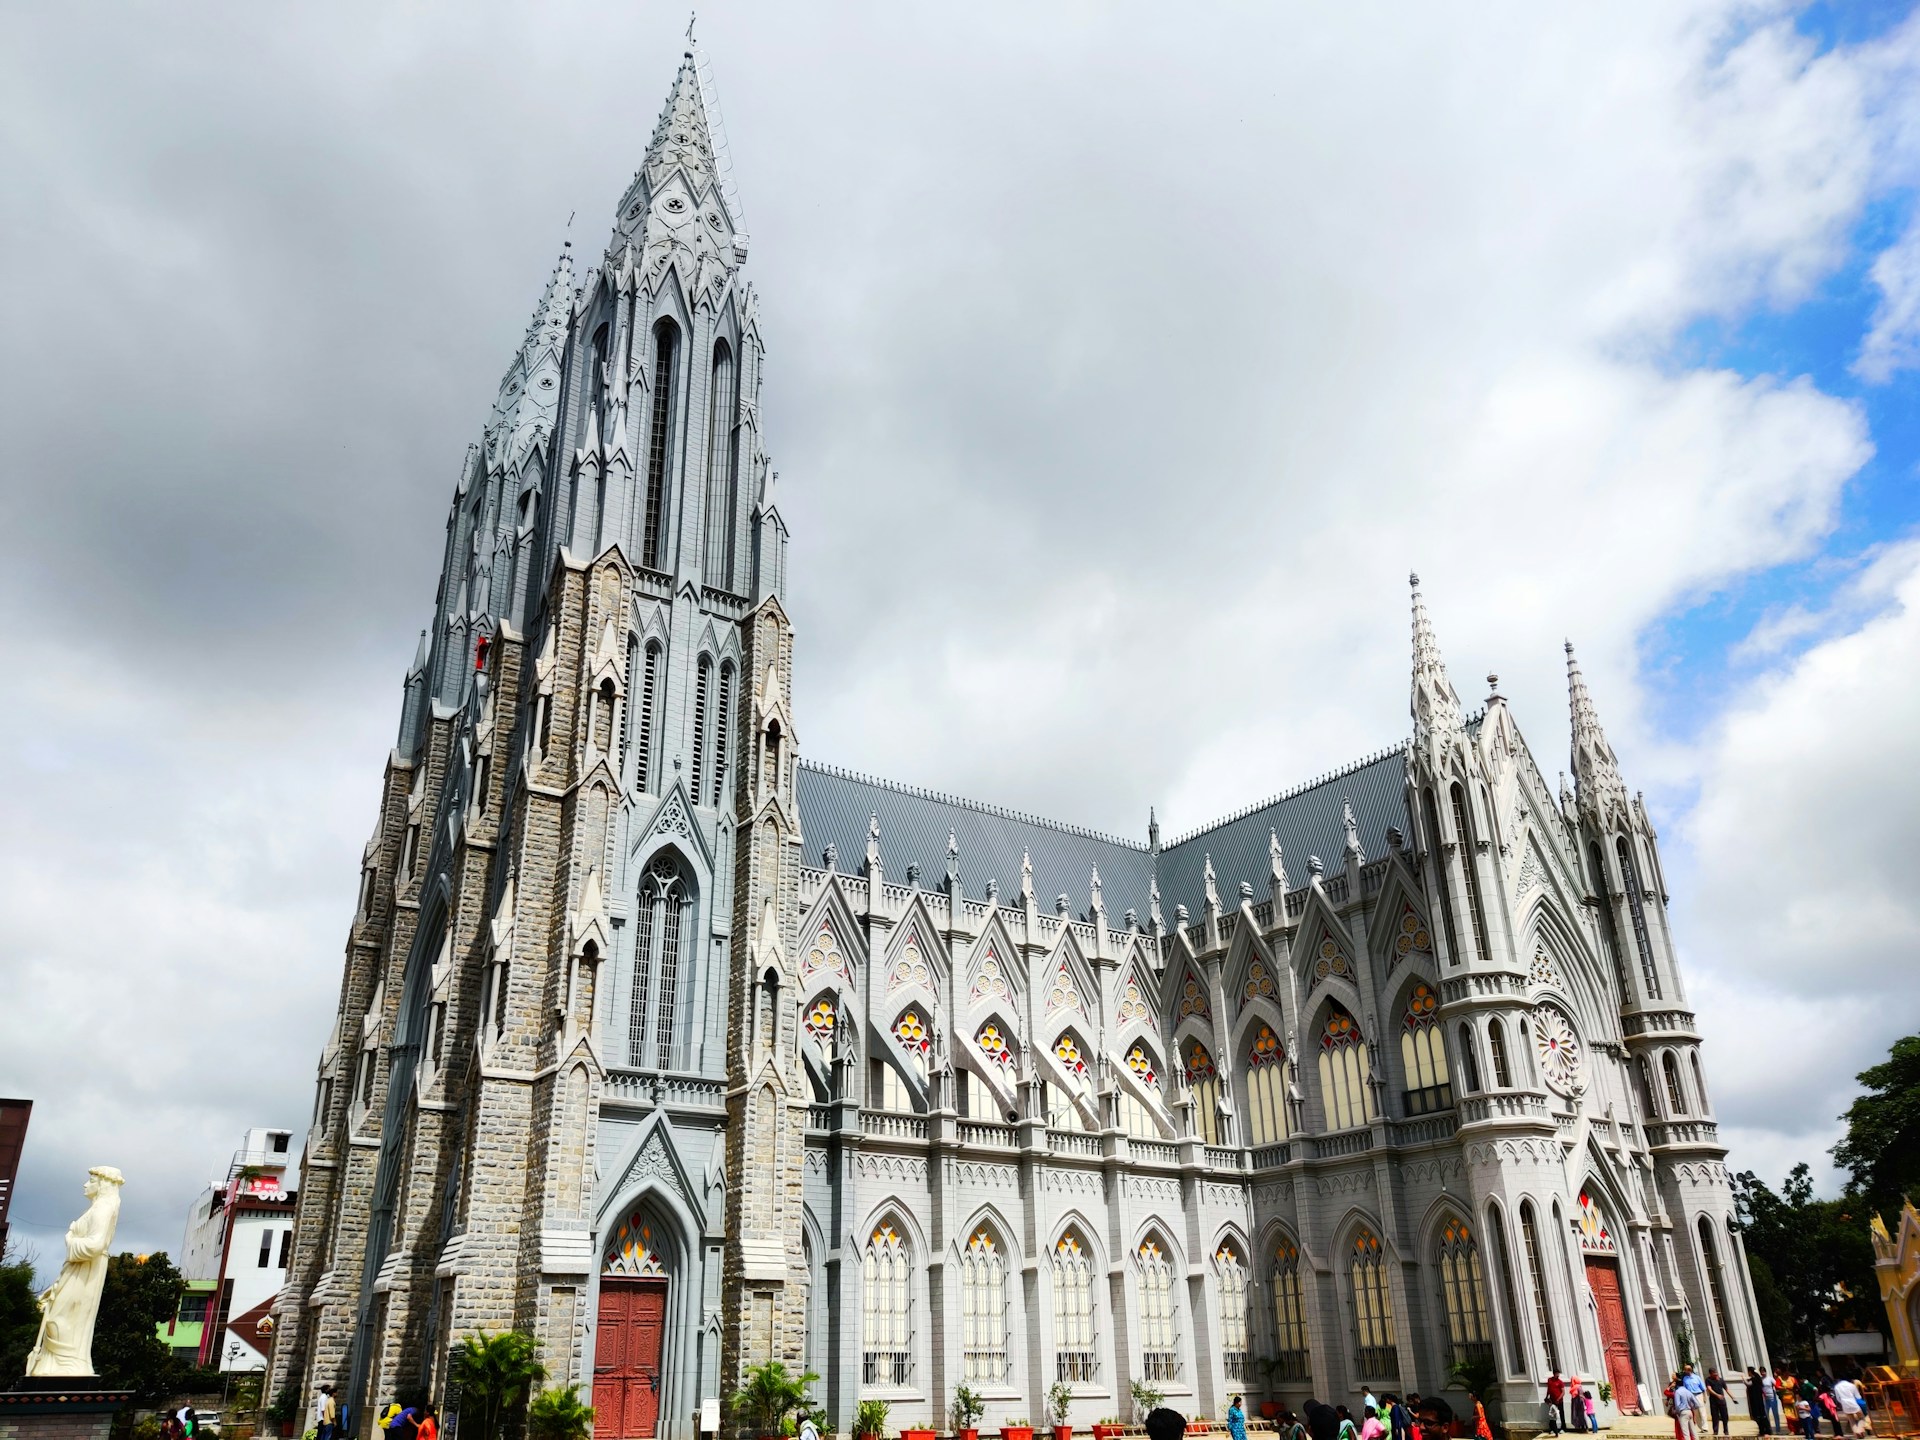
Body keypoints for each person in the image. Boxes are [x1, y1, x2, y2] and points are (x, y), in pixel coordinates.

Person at [1706, 1369, 1731, 1437]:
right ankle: (1715, 1430)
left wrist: (1732, 1397)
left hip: (1722, 1401)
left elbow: (1726, 1389)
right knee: (1715, 1416)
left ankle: (1726, 1430)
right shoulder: (1708, 1380)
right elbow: (1709, 1389)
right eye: (1714, 1374)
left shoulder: (1721, 1380)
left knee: (1724, 1416)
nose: (1716, 1375)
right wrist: (1717, 1395)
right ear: (1711, 1374)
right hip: (1713, 1401)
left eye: (1716, 1374)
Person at [1747, 1370, 1770, 1437]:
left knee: (1760, 1417)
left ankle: (1765, 1431)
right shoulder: (1757, 1380)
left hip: (1757, 1402)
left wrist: (1743, 1379)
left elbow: (1748, 1384)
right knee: (1760, 1417)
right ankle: (1763, 1431)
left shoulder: (1754, 1380)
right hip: (1757, 1402)